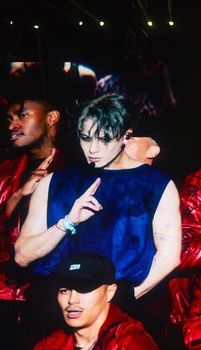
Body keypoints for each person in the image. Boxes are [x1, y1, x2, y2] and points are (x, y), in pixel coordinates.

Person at [15, 93, 181, 302]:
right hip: (56, 299)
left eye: (104, 139)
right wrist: (66, 223)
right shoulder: (53, 182)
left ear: (126, 135)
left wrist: (124, 298)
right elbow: (22, 256)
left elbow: (169, 257)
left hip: (121, 302)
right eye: (86, 138)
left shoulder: (156, 184)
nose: (93, 149)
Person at [29, 254, 163, 350]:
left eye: (84, 289)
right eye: (64, 290)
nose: (72, 300)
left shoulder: (131, 344)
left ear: (110, 292)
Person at [1, 95, 62, 304]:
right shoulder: (6, 170)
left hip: (50, 295)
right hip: (5, 293)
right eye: (8, 120)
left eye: (22, 116)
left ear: (51, 118)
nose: (12, 126)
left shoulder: (73, 169)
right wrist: (18, 196)